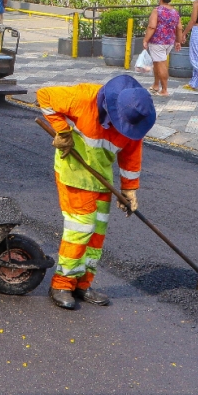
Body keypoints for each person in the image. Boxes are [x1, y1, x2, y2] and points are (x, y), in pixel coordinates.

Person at [38, 74, 155, 310]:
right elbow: (44, 96)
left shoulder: (134, 122)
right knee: (80, 230)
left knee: (96, 234)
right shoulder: (83, 97)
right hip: (74, 173)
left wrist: (129, 190)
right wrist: (63, 132)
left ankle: (82, 284)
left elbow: (130, 156)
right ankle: (62, 284)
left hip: (102, 180)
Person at [142, 0, 182, 96]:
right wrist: (178, 41)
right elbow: (179, 27)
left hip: (157, 41)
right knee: (157, 63)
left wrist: (145, 39)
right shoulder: (175, 12)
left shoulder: (157, 11)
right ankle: (156, 85)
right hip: (169, 41)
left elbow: (151, 26)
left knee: (161, 64)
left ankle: (164, 89)